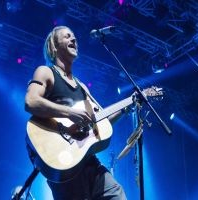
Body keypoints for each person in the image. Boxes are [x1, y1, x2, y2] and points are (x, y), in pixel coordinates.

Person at [25, 26, 127, 200]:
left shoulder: (82, 87)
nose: (74, 39)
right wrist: (68, 113)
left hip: (88, 161)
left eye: (74, 37)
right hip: (63, 162)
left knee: (116, 195)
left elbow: (101, 121)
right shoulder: (46, 72)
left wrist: (127, 106)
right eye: (67, 37)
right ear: (54, 46)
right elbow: (31, 101)